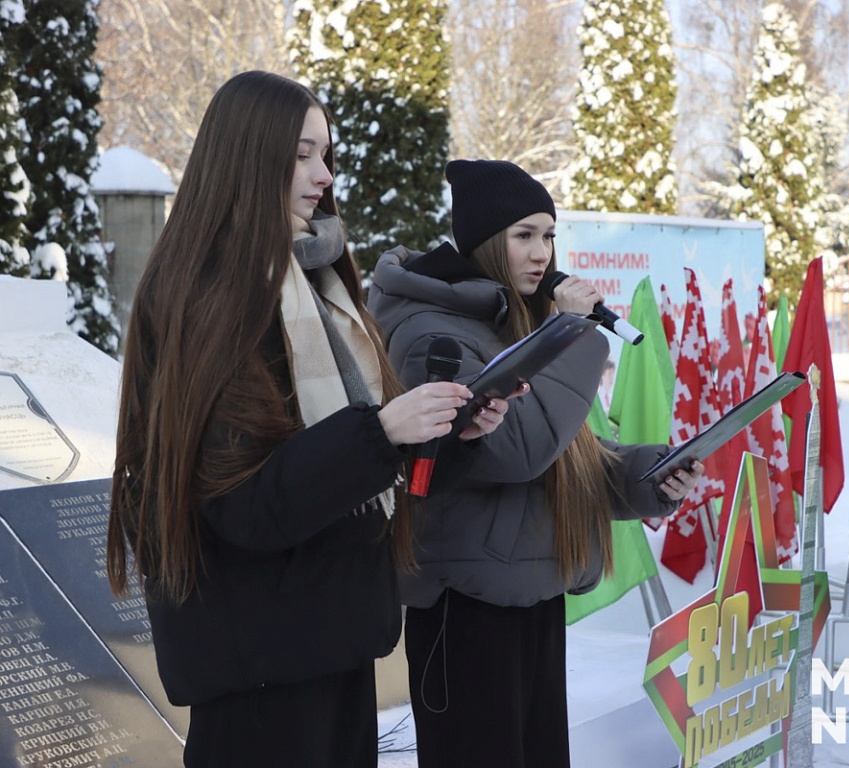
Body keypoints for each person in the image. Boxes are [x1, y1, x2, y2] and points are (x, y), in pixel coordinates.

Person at [105, 72, 512, 768]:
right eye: (301, 155)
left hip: (333, 642)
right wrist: (381, 432)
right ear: (246, 156)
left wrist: (448, 435)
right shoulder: (209, 297)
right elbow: (241, 506)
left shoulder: (319, 285)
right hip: (260, 671)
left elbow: (366, 485)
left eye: (326, 154)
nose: (324, 175)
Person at [367, 159, 703, 768]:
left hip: (533, 596)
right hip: (465, 608)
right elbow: (517, 451)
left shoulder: (513, 320)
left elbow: (569, 457)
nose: (542, 252)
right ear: (484, 243)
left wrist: (651, 475)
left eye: (549, 235)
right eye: (524, 235)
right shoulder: (431, 334)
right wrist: (573, 333)